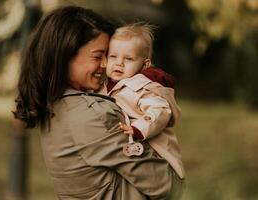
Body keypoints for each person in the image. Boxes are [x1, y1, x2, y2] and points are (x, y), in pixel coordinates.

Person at [14, 6, 183, 200]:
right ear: (65, 56)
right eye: (98, 56)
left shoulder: (57, 104)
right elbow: (168, 186)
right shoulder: (92, 114)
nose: (105, 65)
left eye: (107, 55)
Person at [98, 22, 185, 188]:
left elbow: (160, 110)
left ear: (144, 65)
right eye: (113, 56)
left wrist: (139, 128)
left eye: (128, 58)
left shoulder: (142, 87)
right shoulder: (105, 85)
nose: (119, 63)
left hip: (159, 156)